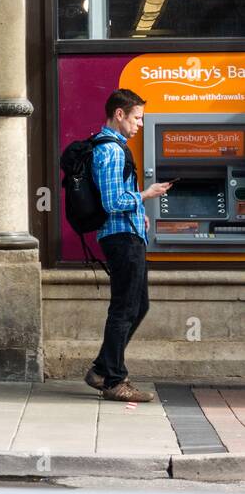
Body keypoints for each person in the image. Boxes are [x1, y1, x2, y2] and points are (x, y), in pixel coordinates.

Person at [85, 88, 173, 403]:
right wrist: (145, 196)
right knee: (123, 308)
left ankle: (101, 368)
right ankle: (114, 379)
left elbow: (120, 200)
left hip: (128, 233)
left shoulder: (115, 148)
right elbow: (112, 202)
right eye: (136, 118)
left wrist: (139, 214)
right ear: (119, 114)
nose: (139, 125)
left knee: (139, 305)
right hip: (121, 238)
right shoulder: (110, 151)